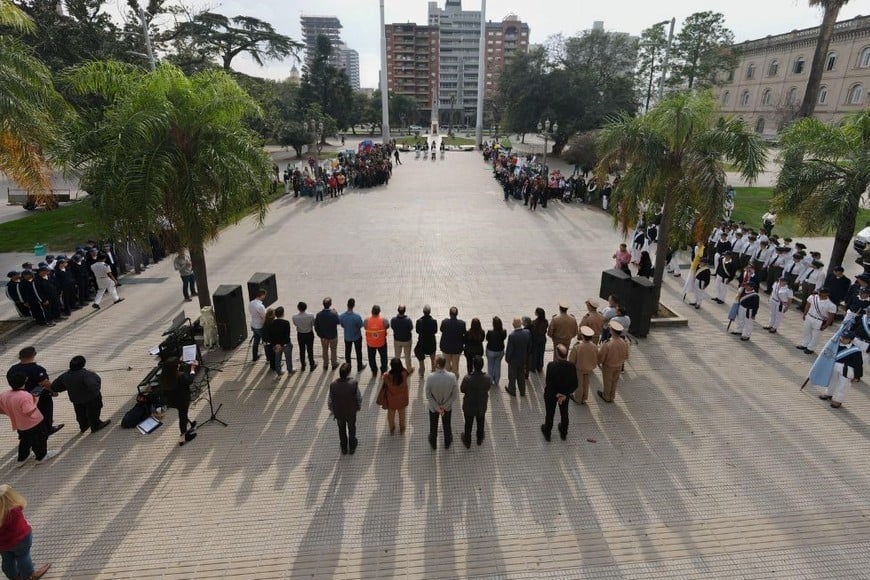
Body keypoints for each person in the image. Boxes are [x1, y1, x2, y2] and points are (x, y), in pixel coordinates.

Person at [0, 373, 57, 467]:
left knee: (24, 440)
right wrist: (35, 399)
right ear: (25, 381)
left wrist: (10, 413)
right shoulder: (25, 396)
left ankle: (22, 458)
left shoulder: (4, 395)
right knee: (39, 440)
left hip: (19, 424)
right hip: (33, 423)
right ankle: (41, 456)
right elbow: (29, 411)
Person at [6, 347, 62, 436]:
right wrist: (54, 391)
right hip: (40, 398)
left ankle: (26, 432)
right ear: (34, 355)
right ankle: (47, 430)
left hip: (20, 398)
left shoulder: (12, 369)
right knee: (45, 414)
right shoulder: (37, 369)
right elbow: (44, 383)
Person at [0, 485, 51, 580]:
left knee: (7, 560)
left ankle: (14, 576)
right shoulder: (15, 510)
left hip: (3, 545)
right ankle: (29, 575)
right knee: (23, 557)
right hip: (21, 539)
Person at [50, 356, 110, 433]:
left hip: (76, 399)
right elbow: (93, 385)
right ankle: (95, 425)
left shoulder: (65, 375)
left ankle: (83, 425)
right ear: (83, 364)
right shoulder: (86, 374)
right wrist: (96, 391)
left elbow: (54, 386)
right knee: (94, 410)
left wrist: (67, 387)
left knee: (80, 412)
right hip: (91, 397)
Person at [158, 357, 199, 446]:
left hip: (171, 401)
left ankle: (191, 424)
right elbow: (190, 380)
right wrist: (192, 369)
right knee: (182, 417)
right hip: (182, 400)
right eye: (178, 365)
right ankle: (184, 436)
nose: (179, 366)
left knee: (183, 414)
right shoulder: (180, 376)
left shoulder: (163, 376)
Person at [541, 344, 578, 441]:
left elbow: (549, 383)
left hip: (552, 395)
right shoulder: (572, 366)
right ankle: (563, 432)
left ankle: (547, 432)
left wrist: (556, 394)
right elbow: (575, 384)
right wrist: (565, 395)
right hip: (565, 395)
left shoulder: (551, 366)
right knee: (564, 413)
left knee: (550, 413)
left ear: (557, 354)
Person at [819, 330, 863, 409]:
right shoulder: (835, 345)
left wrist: (857, 376)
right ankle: (828, 393)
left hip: (846, 370)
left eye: (845, 338)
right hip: (834, 367)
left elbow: (858, 364)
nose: (842, 339)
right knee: (832, 381)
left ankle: (838, 400)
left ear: (851, 340)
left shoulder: (856, 350)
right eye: (842, 337)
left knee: (843, 385)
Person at [425, 356, 458, 450]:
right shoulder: (452, 376)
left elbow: (428, 395)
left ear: (438, 365)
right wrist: (443, 407)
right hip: (447, 408)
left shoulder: (430, 377)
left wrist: (437, 408)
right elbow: (454, 395)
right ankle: (447, 442)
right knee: (447, 425)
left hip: (433, 408)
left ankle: (433, 443)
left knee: (433, 425)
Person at [328, 363, 362, 454]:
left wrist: (333, 410)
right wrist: (358, 407)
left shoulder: (333, 385)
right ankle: (352, 446)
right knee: (352, 428)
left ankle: (344, 447)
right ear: (349, 372)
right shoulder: (353, 383)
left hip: (339, 413)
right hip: (351, 412)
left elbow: (330, 401)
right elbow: (359, 398)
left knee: (341, 429)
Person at [460, 356, 490, 448]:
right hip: (481, 405)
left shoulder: (467, 378)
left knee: (468, 424)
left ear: (473, 366)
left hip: (469, 406)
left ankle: (467, 441)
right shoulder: (487, 378)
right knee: (480, 422)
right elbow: (488, 387)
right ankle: (479, 439)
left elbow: (462, 389)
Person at [597, 321, 630, 404]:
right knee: (614, 382)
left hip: (608, 366)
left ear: (612, 331)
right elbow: (626, 356)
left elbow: (601, 356)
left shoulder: (608, 343)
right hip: (619, 365)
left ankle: (606, 397)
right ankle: (612, 396)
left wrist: (599, 362)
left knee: (607, 382)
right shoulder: (624, 342)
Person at [797, 288, 837, 355]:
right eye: (820, 292)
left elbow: (831, 317)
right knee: (806, 332)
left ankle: (810, 348)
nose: (820, 293)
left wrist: (826, 325)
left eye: (822, 292)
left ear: (827, 294)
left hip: (819, 320)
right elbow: (807, 305)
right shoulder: (812, 297)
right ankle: (804, 344)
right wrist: (804, 314)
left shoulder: (831, 305)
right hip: (809, 316)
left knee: (816, 336)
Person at [569, 326, 598, 405]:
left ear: (582, 336)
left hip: (579, 368)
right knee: (586, 382)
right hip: (589, 368)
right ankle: (584, 397)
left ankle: (578, 398)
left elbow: (571, 360)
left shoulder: (577, 347)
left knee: (579, 384)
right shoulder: (594, 346)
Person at [380, 358, 410, 435]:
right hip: (402, 400)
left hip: (391, 400)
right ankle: (402, 428)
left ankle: (392, 428)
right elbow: (406, 370)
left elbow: (384, 377)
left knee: (390, 415)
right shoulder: (404, 374)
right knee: (402, 415)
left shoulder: (387, 376)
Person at [505, 317, 531, 397]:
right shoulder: (527, 332)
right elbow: (529, 346)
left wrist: (507, 359)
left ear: (514, 325)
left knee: (512, 376)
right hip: (523, 359)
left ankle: (512, 390)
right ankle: (522, 391)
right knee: (521, 375)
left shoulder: (512, 335)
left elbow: (509, 350)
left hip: (513, 360)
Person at [338, 298, 366, 372]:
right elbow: (361, 325)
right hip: (357, 336)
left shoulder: (342, 316)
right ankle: (359, 366)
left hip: (347, 336)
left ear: (347, 305)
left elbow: (342, 325)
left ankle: (348, 367)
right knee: (358, 352)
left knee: (347, 352)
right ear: (354, 305)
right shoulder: (357, 316)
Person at [314, 297, 341, 371]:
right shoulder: (333, 313)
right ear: (330, 304)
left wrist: (321, 336)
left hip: (323, 337)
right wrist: (336, 313)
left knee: (325, 350)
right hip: (333, 336)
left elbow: (316, 326)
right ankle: (334, 363)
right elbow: (339, 321)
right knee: (333, 350)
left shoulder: (319, 314)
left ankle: (325, 364)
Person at [439, 306, 466, 376]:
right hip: (457, 348)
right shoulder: (462, 323)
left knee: (446, 364)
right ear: (457, 314)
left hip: (446, 347)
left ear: (449, 314)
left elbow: (441, 329)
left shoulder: (444, 322)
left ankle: (447, 377)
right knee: (455, 365)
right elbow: (464, 332)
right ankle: (455, 378)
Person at [364, 305, 390, 375]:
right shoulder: (384, 320)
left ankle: (374, 371)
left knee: (371, 358)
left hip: (370, 343)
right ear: (379, 312)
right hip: (381, 342)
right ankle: (383, 370)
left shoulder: (366, 320)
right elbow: (387, 326)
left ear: (371, 311)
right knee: (383, 357)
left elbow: (365, 327)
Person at [270, 307, 295, 377]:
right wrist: (281, 344)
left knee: (277, 359)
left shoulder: (272, 323)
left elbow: (271, 335)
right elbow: (287, 335)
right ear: (283, 313)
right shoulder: (286, 323)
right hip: (286, 344)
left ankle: (279, 373)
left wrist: (276, 344)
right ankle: (289, 371)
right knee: (288, 358)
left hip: (276, 345)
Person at [292, 301, 317, 372]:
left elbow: (295, 324)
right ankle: (312, 365)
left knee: (302, 350)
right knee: (310, 350)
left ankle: (303, 365)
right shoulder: (311, 315)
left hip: (300, 334)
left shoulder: (294, 317)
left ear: (298, 308)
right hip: (309, 333)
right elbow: (313, 324)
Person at [390, 305, 415, 374]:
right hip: (407, 340)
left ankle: (396, 369)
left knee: (397, 355)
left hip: (397, 340)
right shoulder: (408, 320)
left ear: (398, 310)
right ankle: (409, 369)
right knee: (407, 356)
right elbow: (411, 328)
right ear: (404, 311)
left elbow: (392, 327)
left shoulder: (393, 320)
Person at [415, 305, 438, 373]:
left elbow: (417, 331)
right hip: (431, 343)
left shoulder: (419, 321)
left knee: (421, 362)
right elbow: (435, 331)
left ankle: (422, 372)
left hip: (422, 344)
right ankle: (433, 373)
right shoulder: (434, 321)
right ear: (430, 312)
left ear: (423, 312)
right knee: (433, 361)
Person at [485, 317, 507, 387]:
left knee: (490, 366)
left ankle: (490, 380)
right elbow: (504, 338)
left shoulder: (490, 332)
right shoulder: (504, 331)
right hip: (500, 351)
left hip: (491, 350)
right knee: (497, 365)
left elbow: (487, 339)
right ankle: (497, 381)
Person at [248, 289, 267, 363]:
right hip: (259, 326)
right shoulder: (260, 306)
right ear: (262, 295)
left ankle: (254, 357)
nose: (264, 297)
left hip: (253, 324)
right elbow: (264, 316)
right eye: (264, 295)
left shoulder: (251, 303)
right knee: (265, 342)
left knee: (256, 341)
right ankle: (268, 358)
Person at [529, 308, 549, 373]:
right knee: (541, 353)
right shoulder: (545, 321)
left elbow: (532, 332)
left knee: (534, 353)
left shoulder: (534, 322)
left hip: (535, 340)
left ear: (537, 314)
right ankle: (540, 366)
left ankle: (533, 366)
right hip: (542, 339)